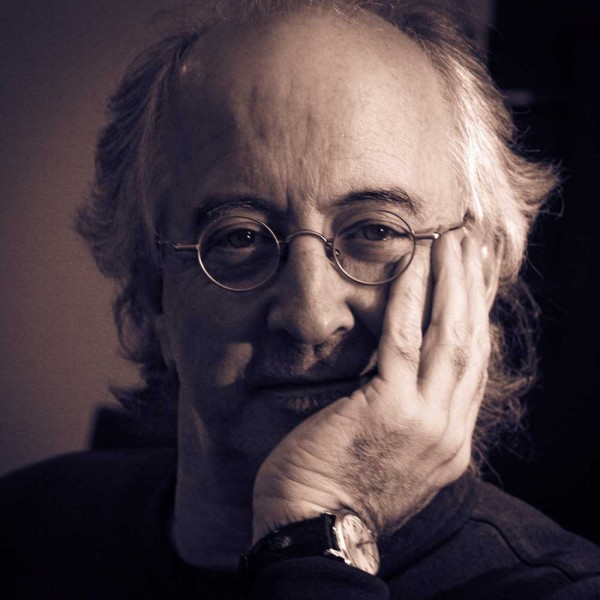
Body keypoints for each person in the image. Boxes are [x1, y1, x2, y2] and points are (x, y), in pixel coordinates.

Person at [2, 1, 599, 598]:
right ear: (153, 288)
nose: (310, 317)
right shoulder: (21, 530)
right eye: (239, 237)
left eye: (377, 231)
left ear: (481, 272)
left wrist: (314, 531)